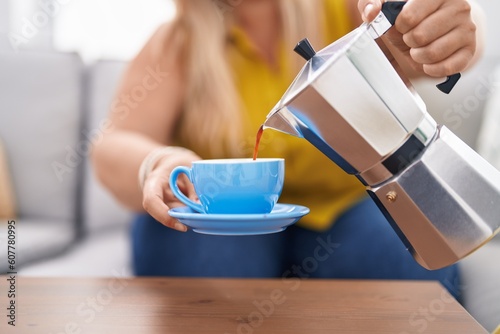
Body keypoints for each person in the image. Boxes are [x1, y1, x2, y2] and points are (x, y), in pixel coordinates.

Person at [92, 0, 485, 299]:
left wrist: (446, 30)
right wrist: (158, 163)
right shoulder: (178, 42)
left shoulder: (341, 10)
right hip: (221, 222)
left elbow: (415, 30)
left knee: (405, 268)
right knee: (214, 269)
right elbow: (112, 144)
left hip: (347, 209)